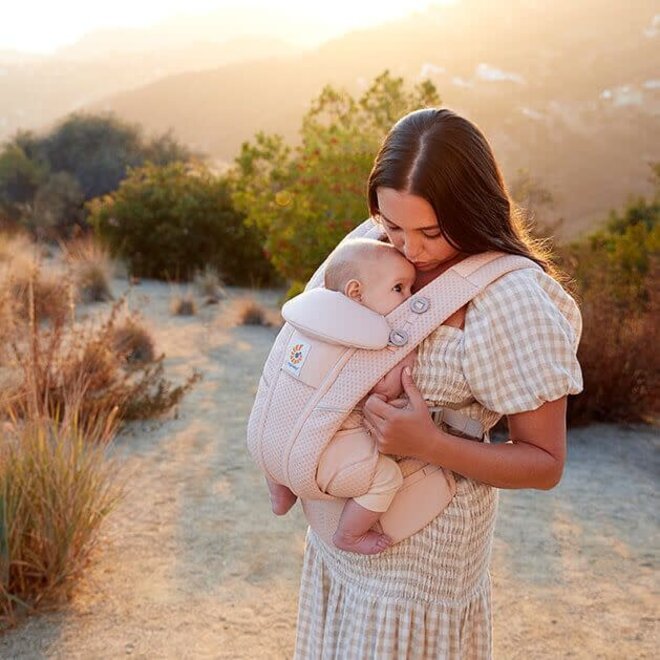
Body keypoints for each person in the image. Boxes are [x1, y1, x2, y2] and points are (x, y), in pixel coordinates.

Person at [294, 108, 583, 659]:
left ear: (473, 208)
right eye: (393, 224)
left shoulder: (509, 299)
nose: (409, 250)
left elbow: (546, 463)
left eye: (430, 230)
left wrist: (430, 444)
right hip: (343, 536)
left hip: (423, 563)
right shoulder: (370, 245)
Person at [265, 237, 417, 555]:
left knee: (277, 434)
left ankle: (280, 493)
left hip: (264, 439)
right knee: (386, 477)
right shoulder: (367, 337)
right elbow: (386, 389)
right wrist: (407, 358)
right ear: (355, 293)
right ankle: (349, 534)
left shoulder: (306, 319)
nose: (410, 297)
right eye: (400, 288)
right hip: (317, 455)